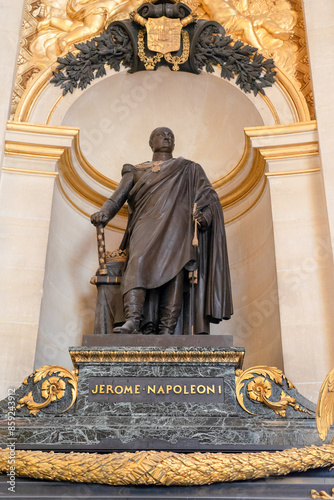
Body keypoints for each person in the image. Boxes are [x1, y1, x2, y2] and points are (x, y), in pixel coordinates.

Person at [91, 127, 233, 335]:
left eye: (171, 135)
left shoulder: (188, 168)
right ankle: (132, 319)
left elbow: (209, 197)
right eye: (161, 134)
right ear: (151, 142)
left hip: (178, 228)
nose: (167, 137)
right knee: (137, 263)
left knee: (175, 273)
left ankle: (168, 328)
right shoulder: (137, 170)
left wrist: (205, 216)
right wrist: (104, 213)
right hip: (144, 225)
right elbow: (116, 198)